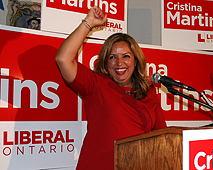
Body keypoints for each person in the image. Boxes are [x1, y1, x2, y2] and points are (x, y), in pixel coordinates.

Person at [55, 7, 167, 170]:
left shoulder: (148, 90)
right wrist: (89, 23)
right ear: (106, 63)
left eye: (126, 56)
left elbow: (162, 138)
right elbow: (63, 59)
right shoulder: (96, 84)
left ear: (135, 61)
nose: (119, 62)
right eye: (112, 57)